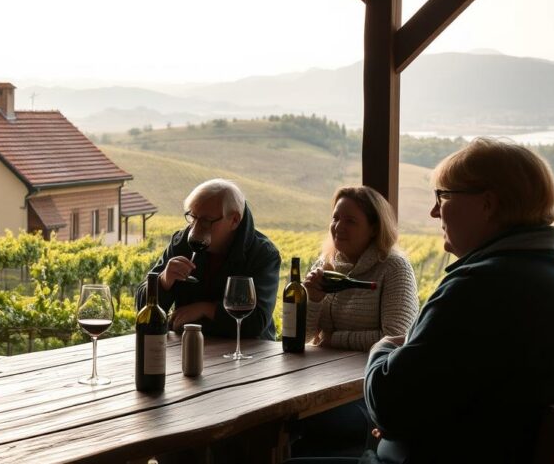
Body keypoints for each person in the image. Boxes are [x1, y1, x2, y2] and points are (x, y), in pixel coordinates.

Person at [362, 138, 554, 463]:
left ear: (488, 204)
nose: (434, 211)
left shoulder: (476, 289)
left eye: (443, 196)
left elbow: (389, 407)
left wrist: (383, 347)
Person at [289, 186, 418, 457]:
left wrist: (333, 338)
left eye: (350, 221)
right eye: (335, 218)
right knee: (283, 419)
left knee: (300, 422)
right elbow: (305, 336)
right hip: (324, 381)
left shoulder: (393, 267)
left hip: (367, 392)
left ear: (374, 228)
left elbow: (396, 338)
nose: (338, 227)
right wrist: (313, 299)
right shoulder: (326, 264)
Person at [135, 179, 280, 339]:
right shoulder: (182, 243)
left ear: (234, 220)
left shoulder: (263, 255)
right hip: (189, 344)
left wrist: (205, 309)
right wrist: (163, 281)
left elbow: (256, 323)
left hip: (250, 350)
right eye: (193, 217)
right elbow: (142, 308)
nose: (196, 229)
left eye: (205, 221)